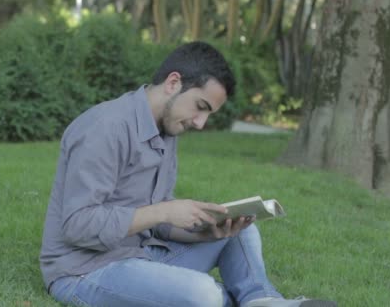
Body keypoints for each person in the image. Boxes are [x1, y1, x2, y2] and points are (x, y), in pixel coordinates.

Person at [39, 42, 336, 307]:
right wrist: (164, 211)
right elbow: (77, 225)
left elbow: (157, 224)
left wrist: (202, 230)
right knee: (204, 294)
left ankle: (261, 299)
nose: (201, 123)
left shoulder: (167, 131)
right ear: (173, 82)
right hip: (84, 270)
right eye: (200, 107)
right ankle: (232, 297)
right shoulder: (106, 127)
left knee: (242, 228)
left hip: (141, 255)